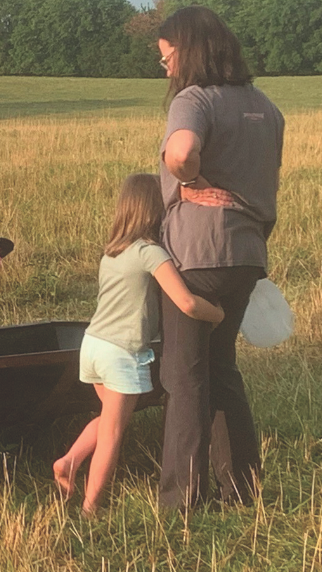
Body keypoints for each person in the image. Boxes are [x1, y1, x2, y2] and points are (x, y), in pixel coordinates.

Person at [155, 5, 284, 510]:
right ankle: (242, 490)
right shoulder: (266, 106)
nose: (165, 68)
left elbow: (182, 152)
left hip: (198, 254)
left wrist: (188, 178)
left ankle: (180, 502)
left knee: (184, 376)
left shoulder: (194, 99)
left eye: (167, 57)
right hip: (248, 254)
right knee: (221, 366)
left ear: (188, 51)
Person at [54, 173, 224, 515]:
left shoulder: (112, 253)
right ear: (154, 210)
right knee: (114, 433)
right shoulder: (150, 253)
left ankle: (69, 462)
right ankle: (92, 507)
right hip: (120, 354)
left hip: (93, 346)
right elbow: (187, 303)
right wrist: (219, 313)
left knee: (108, 418)